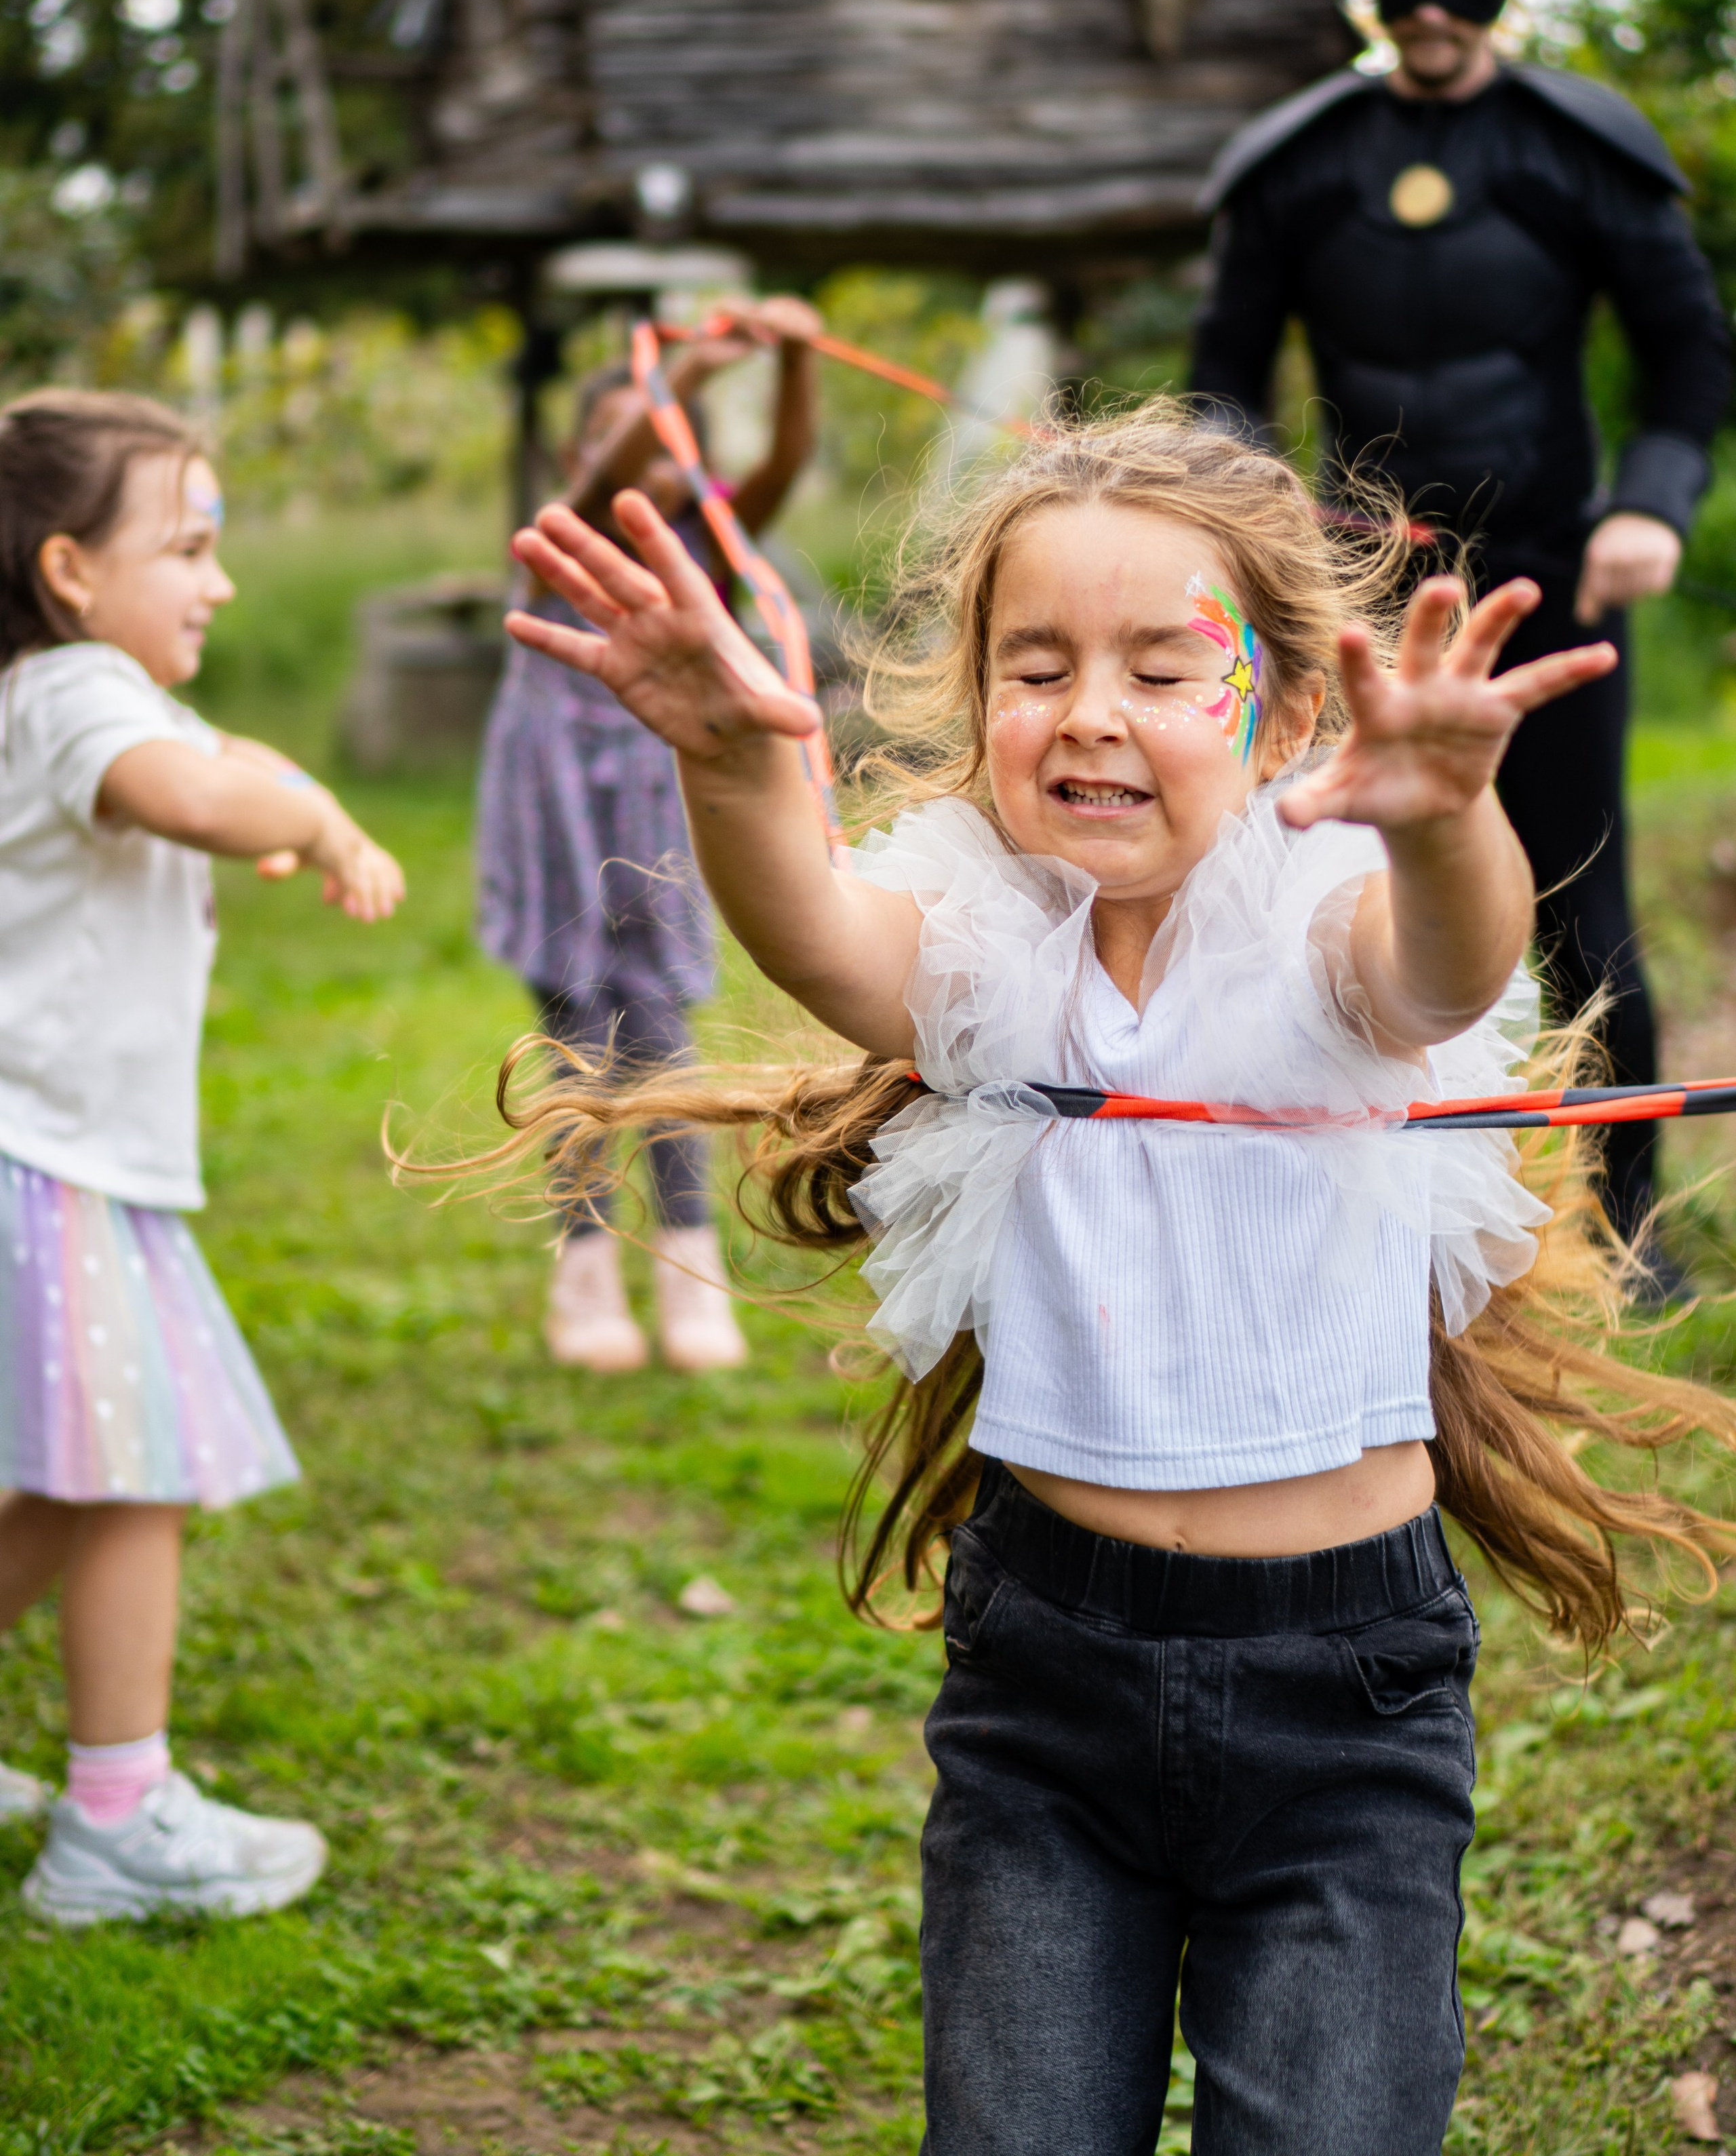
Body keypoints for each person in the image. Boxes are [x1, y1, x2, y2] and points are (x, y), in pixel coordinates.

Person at [482, 409, 1736, 2155]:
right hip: (1044, 1679)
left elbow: (1439, 971)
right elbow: (825, 940)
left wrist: (1446, 820)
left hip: (1343, 1701)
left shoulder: (1322, 926)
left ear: (1282, 717)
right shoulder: (984, 938)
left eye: (1162, 669)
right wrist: (727, 766)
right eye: (1036, 667)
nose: (1087, 711)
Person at [1187, 0, 1733, 1275]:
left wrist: (1650, 504)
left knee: (1578, 902)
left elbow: (1689, 352)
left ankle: (1626, 1227)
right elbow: (1224, 377)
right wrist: (1237, 518)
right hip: (1354, 599)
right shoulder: (1299, 165)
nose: (1432, 17)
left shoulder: (1578, 151)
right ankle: (1355, 1198)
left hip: (1548, 583)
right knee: (1326, 894)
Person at [0, 389, 405, 1927]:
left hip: (63, 1155)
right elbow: (184, 787)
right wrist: (314, 814)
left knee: (71, 1482)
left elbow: (213, 749)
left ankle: (117, 1802)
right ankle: (118, 1817)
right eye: (186, 547)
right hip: (60, 1161)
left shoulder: (75, 688)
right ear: (69, 570)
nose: (220, 582)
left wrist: (292, 792)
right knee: (135, 1474)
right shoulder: (71, 692)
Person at [476, 296, 821, 1373]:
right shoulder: (561, 546)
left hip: (657, 817)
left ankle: (686, 1268)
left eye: (672, 445)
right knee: (578, 1040)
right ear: (578, 457)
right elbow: (612, 474)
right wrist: (687, 374)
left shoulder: (705, 554)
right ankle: (582, 1274)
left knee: (662, 1040)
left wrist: (795, 359)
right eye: (624, 437)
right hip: (556, 823)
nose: (649, 462)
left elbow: (786, 461)